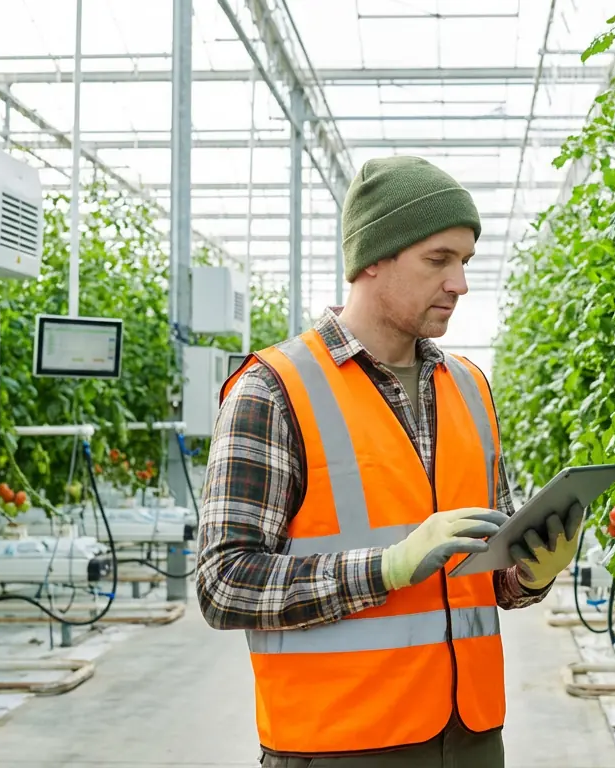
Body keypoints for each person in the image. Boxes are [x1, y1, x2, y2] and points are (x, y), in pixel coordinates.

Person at [196, 155, 585, 768]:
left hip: (471, 739)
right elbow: (224, 585)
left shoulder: (469, 388)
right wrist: (385, 567)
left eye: (466, 262)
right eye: (439, 260)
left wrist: (530, 572)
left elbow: (485, 575)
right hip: (340, 745)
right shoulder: (275, 390)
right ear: (372, 258)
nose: (460, 283)